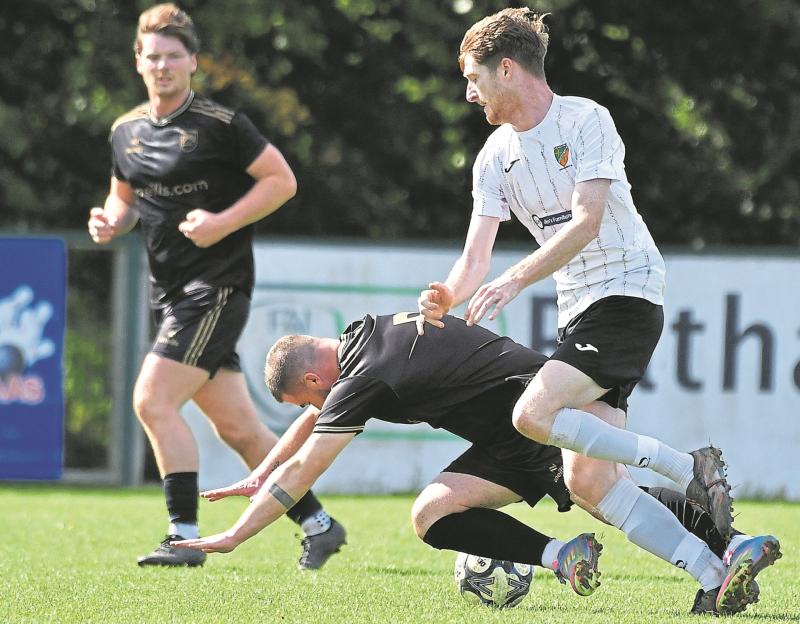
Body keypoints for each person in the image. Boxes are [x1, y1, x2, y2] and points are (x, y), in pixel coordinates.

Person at [414, 8, 777, 614]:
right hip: (578, 310)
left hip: (627, 293)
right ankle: (720, 567)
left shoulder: (586, 120)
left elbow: (587, 222)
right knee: (586, 481)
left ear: (507, 69)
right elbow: (473, 255)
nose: (468, 93)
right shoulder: (492, 156)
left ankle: (688, 467)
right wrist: (447, 297)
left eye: (473, 77)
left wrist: (512, 281)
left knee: (532, 413)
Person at [170, 313, 780, 613]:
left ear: (313, 375)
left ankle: (721, 542)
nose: (317, 407)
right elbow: (312, 424)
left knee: (600, 491)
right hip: (519, 416)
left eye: (310, 396)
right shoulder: (368, 334)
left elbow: (306, 472)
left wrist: (234, 536)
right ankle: (710, 546)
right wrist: (261, 471)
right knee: (435, 511)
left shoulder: (361, 380)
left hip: (529, 421)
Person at [87, 3, 345, 570]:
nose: (162, 65)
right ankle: (320, 525)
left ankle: (182, 535)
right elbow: (123, 200)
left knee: (151, 401)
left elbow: (283, 180)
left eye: (173, 56)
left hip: (217, 286)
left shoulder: (221, 125)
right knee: (240, 430)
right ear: (138, 61)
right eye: (152, 56)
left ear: (193, 62)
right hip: (170, 293)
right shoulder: (125, 131)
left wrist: (223, 222)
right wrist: (109, 221)